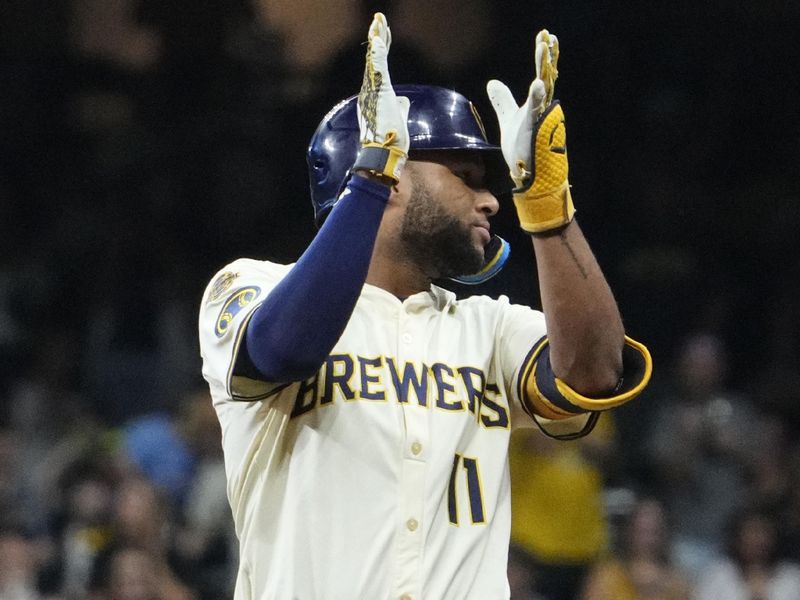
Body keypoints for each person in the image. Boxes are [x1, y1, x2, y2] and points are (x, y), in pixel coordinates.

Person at [198, 13, 652, 600]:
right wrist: (370, 182)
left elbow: (593, 374)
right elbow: (284, 350)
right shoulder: (249, 285)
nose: (491, 200)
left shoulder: (489, 327)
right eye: (466, 175)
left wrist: (548, 209)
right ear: (391, 174)